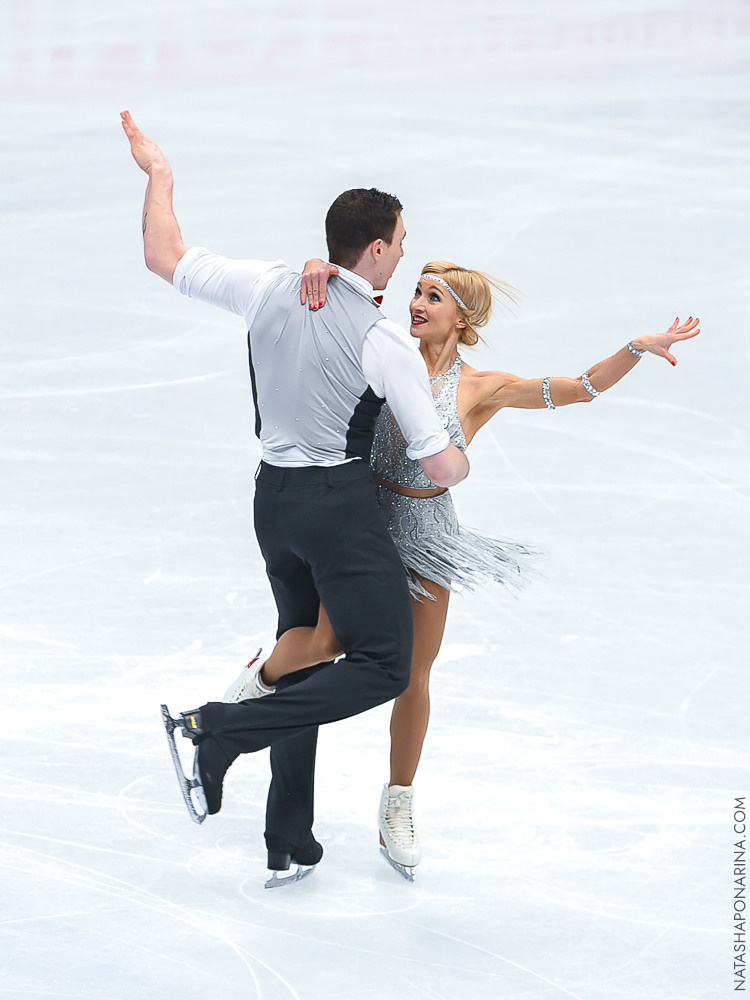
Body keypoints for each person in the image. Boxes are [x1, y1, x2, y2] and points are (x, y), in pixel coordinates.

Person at [226, 257, 700, 874]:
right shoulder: (379, 354)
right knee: (330, 639)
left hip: (428, 535)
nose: (416, 303)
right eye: (416, 292)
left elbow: (578, 387)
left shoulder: (482, 388)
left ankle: (397, 800)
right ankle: (257, 681)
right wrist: (317, 265)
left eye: (433, 297)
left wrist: (634, 348)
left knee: (413, 672)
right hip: (361, 524)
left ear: (462, 316)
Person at [120, 111, 469, 877]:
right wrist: (461, 459)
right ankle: (219, 731)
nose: (403, 257)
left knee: (303, 648)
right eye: (400, 244)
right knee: (384, 662)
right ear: (375, 250)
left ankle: (289, 837)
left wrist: (160, 177)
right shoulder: (384, 341)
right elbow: (439, 468)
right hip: (339, 511)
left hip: (271, 503)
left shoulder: (266, 286)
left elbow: (162, 254)